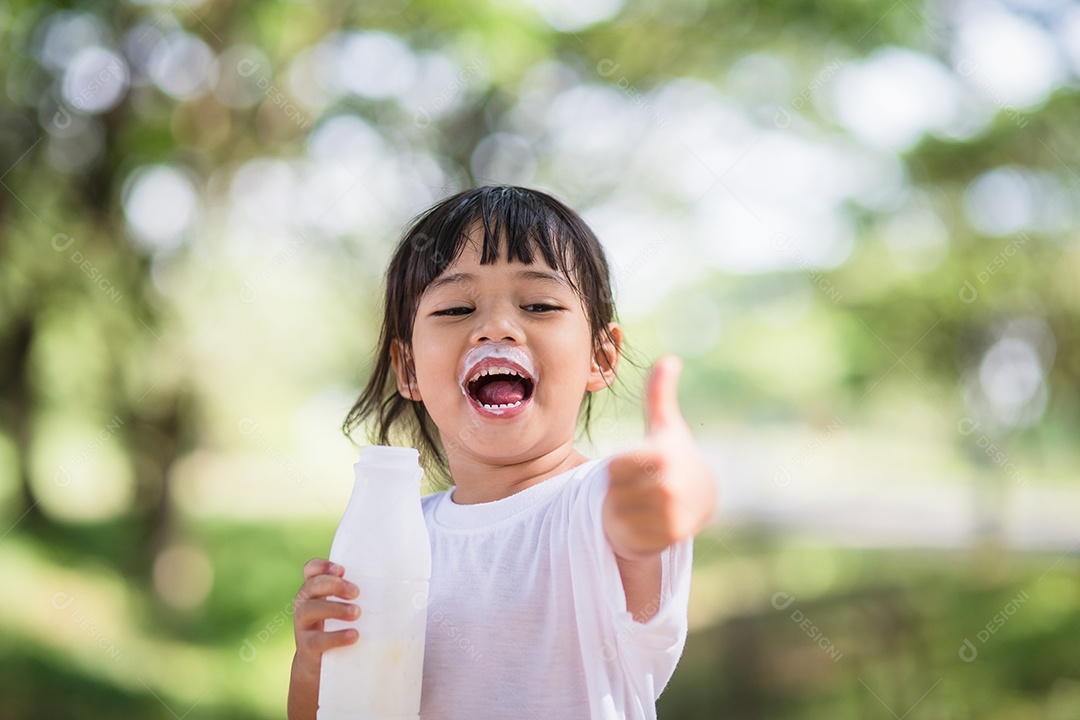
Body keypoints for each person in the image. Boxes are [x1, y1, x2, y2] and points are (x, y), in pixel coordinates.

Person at [288, 185, 718, 719]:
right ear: (409, 368)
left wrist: (672, 490)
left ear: (601, 358)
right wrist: (314, 664)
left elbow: (646, 522)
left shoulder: (593, 508)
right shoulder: (397, 535)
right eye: (456, 308)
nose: (494, 327)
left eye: (538, 304)